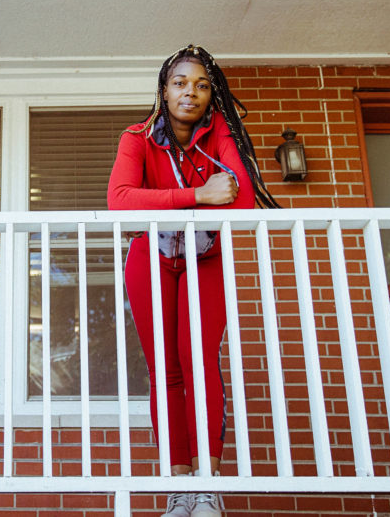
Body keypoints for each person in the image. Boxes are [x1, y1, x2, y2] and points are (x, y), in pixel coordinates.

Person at [107, 45, 278, 517]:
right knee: (166, 369)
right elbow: (121, 200)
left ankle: (207, 486)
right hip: (152, 257)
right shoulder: (137, 136)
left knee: (199, 361)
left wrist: (163, 200)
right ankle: (178, 488)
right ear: (164, 90)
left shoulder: (219, 131)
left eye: (202, 85)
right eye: (181, 82)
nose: (191, 92)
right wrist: (198, 194)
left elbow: (242, 205)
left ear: (211, 95)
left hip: (207, 258)